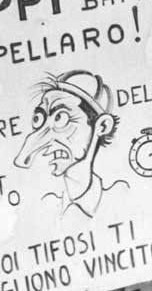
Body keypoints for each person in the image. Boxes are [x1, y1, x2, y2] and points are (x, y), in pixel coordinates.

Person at [14, 70, 128, 217]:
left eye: (60, 118)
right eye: (38, 119)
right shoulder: (44, 207)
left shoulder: (121, 197)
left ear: (102, 126)